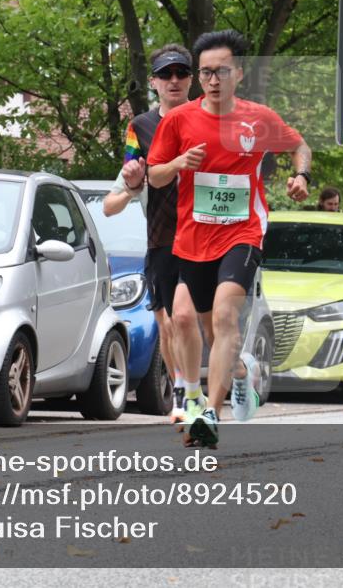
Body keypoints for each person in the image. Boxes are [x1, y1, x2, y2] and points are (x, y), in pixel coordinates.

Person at [148, 29, 312, 447]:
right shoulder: (178, 120)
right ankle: (242, 373)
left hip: (244, 231)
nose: (213, 80)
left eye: (222, 71)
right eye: (206, 73)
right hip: (194, 238)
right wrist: (180, 162)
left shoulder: (259, 118)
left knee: (224, 318)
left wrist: (301, 175)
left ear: (239, 72)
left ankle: (209, 414)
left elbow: (299, 146)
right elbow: (154, 174)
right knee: (207, 327)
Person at [102, 44, 204, 425]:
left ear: (191, 79)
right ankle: (182, 389)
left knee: (189, 318)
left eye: (181, 73)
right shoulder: (140, 128)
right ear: (154, 83)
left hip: (205, 239)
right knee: (167, 322)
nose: (174, 80)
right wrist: (131, 185)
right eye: (166, 74)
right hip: (161, 239)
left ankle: (203, 385)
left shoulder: (209, 119)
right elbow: (113, 202)